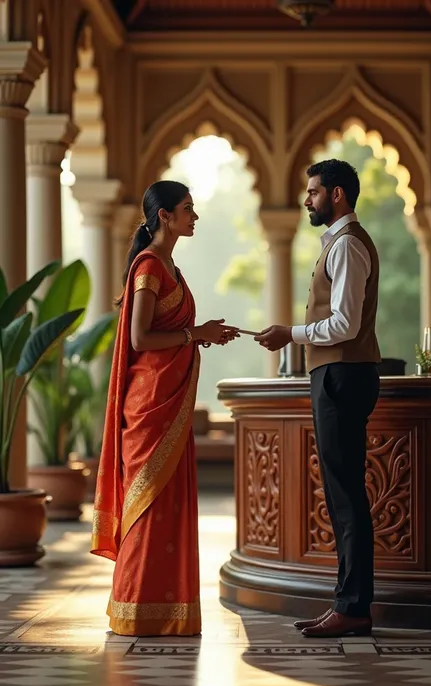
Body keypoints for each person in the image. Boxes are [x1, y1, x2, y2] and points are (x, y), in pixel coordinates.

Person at [91, 180, 239, 637]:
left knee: (168, 504)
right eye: (188, 209)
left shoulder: (171, 265)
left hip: (168, 401)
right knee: (148, 507)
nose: (195, 217)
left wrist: (205, 332)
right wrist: (197, 335)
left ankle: (166, 611)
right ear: (165, 217)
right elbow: (140, 339)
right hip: (149, 405)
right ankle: (135, 608)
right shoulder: (151, 265)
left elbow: (171, 332)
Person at [255, 159, 381, 638]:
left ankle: (353, 607)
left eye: (313, 192)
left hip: (343, 376)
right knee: (342, 494)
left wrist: (292, 333)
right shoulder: (339, 244)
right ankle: (349, 603)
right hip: (338, 374)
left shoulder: (347, 245)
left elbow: (344, 326)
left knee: (346, 497)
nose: (307, 200)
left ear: (337, 195)